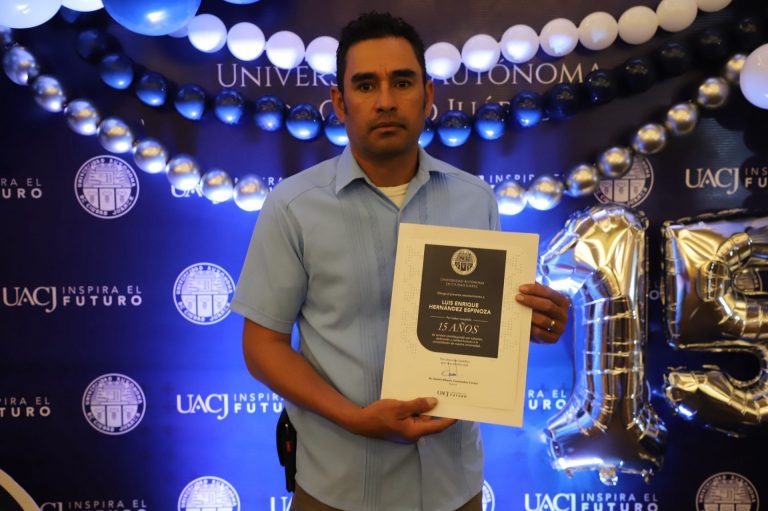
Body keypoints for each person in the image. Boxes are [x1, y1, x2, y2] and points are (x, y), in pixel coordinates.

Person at [231, 11, 571, 511]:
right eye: (366, 85)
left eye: (403, 82)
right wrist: (353, 418)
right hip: (339, 487)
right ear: (339, 102)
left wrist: (532, 323)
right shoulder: (293, 206)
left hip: (453, 488)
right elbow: (263, 346)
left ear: (428, 96)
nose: (386, 100)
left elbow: (477, 325)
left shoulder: (475, 199)